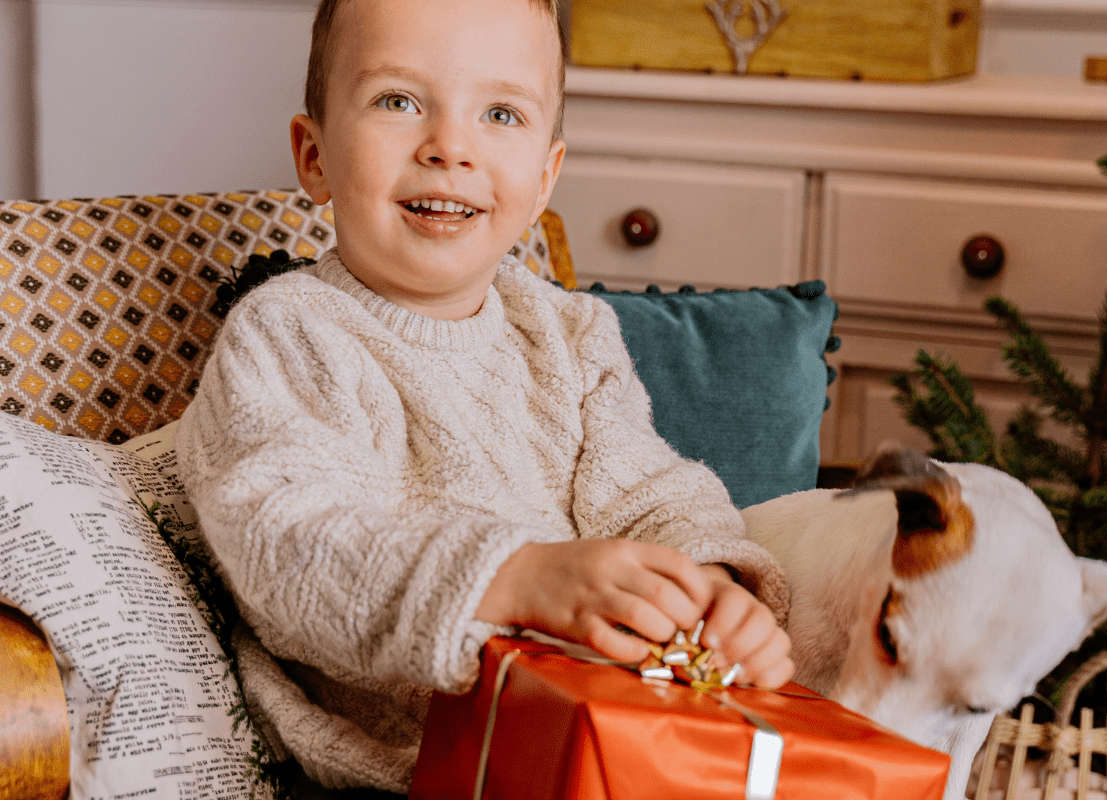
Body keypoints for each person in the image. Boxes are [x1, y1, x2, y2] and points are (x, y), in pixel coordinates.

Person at [175, 0, 794, 793]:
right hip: (402, 771)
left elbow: (650, 492)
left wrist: (712, 585)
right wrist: (517, 578)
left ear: (544, 178)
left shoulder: (570, 335)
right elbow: (289, 550)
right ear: (315, 154)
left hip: (603, 742)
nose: (450, 148)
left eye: (501, 113)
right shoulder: (288, 335)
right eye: (398, 101)